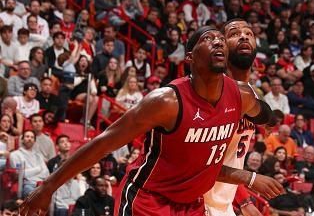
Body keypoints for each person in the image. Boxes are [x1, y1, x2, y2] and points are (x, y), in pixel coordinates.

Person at [21, 26, 284, 216]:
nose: (218, 42)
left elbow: (264, 113)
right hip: (148, 200)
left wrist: (269, 120)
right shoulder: (166, 102)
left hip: (191, 205)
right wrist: (49, 186)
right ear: (190, 58)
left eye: (220, 39)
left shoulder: (241, 95)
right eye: (208, 38)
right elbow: (102, 144)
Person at [205, 19, 277, 216]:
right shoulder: (212, 92)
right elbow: (201, 162)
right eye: (234, 33)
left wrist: (243, 200)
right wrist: (250, 180)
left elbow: (231, 156)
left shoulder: (252, 95)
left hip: (223, 203)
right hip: (197, 199)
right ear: (222, 46)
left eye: (249, 33)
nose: (244, 36)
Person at [9, 130, 49, 198]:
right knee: (35, 196)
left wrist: (28, 171)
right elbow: (20, 174)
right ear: (22, 139)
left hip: (41, 184)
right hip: (26, 185)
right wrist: (38, 169)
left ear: (34, 141)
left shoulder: (39, 156)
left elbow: (46, 173)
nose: (30, 139)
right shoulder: (15, 155)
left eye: (32, 137)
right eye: (27, 137)